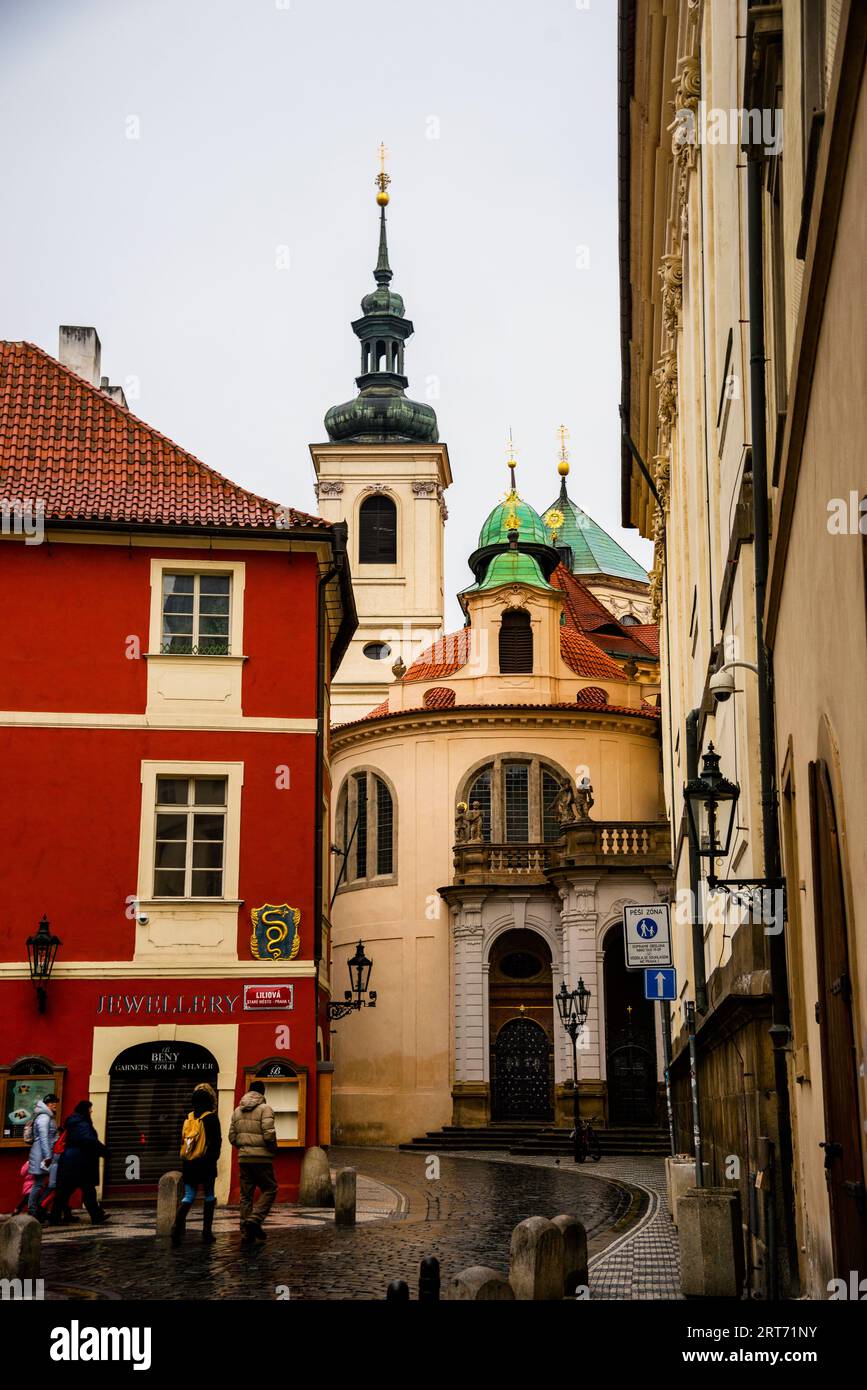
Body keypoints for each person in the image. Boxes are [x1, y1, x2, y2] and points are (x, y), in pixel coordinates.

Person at [228, 1080, 277, 1245]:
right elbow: (269, 1134)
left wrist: (243, 1148)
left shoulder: (237, 1111)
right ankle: (254, 1220)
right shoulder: (265, 1109)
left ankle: (246, 1233)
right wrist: (272, 1149)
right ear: (262, 1093)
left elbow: (232, 1137)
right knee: (270, 1189)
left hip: (244, 1158)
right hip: (262, 1158)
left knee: (246, 1196)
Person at [172, 1084, 222, 1245]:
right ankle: (206, 1232)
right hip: (206, 1164)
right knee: (209, 1196)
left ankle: (176, 1227)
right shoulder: (211, 1118)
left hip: (189, 1163)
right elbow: (216, 1143)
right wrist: (212, 1160)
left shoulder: (189, 1118)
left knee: (189, 1196)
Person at [49, 1100, 108, 1226]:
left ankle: (96, 1215)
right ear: (85, 1110)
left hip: (74, 1161)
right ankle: (55, 1217)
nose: (91, 1111)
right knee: (74, 1191)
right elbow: (89, 1140)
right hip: (79, 1162)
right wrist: (104, 1151)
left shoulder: (76, 1121)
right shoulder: (81, 1123)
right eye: (90, 1109)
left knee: (81, 1190)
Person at [26, 1093, 59, 1220]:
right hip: (41, 1154)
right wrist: (47, 1157)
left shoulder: (48, 1117)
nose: (54, 1104)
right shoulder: (44, 1117)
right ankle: (33, 1209)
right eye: (51, 1102)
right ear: (46, 1104)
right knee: (39, 1183)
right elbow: (44, 1139)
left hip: (43, 1153)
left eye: (55, 1102)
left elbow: (51, 1137)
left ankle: (38, 1207)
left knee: (45, 1183)